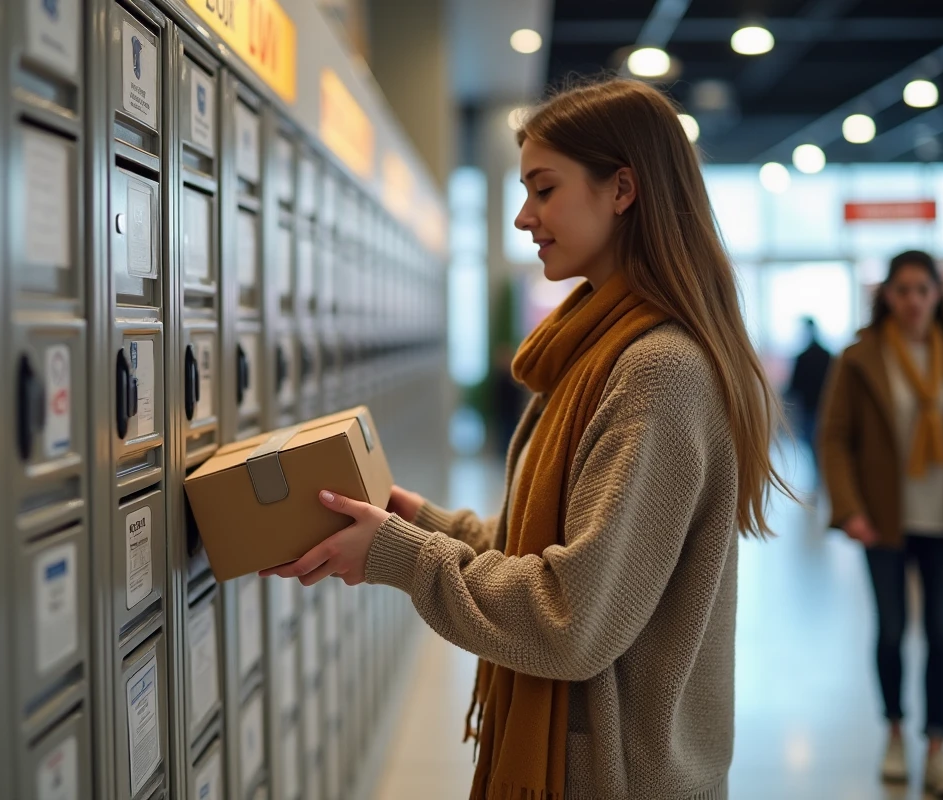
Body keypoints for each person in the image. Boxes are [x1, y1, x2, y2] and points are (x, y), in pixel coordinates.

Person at [264, 78, 790, 799]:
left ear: (623, 189)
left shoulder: (657, 370)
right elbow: (553, 550)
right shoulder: (594, 351)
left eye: (545, 189)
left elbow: (573, 618)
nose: (523, 217)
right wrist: (421, 523)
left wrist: (403, 557)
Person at [820, 250, 943, 797]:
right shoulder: (861, 357)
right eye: (902, 290)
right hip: (884, 521)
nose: (913, 301)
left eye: (922, 290)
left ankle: (938, 747)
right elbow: (835, 438)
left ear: (937, 294)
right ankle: (896, 734)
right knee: (892, 631)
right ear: (887, 296)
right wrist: (849, 508)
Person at [786, 316, 833, 468]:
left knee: (813, 443)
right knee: (821, 442)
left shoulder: (803, 357)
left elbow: (794, 385)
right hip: (824, 407)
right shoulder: (827, 356)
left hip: (810, 407)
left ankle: (818, 471)